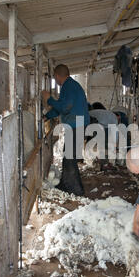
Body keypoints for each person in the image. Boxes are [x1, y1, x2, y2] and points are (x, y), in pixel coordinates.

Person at [42, 64, 90, 196]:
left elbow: (65, 108)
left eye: (54, 77)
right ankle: (66, 183)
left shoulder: (68, 86)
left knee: (70, 157)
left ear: (57, 76)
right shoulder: (70, 86)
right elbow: (61, 108)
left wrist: (49, 100)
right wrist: (46, 116)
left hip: (77, 125)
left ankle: (76, 189)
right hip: (77, 124)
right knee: (68, 155)